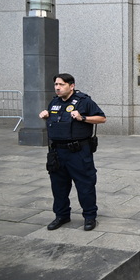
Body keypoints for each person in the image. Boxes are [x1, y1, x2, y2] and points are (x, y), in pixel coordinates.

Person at [39, 73, 106, 231]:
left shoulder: (84, 101)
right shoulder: (54, 102)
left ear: (71, 85)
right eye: (56, 84)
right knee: (58, 186)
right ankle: (61, 215)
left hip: (78, 152)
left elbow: (102, 118)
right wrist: (46, 116)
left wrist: (83, 118)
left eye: (61, 85)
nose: (57, 88)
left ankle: (90, 216)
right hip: (57, 152)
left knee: (85, 185)